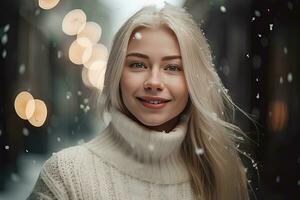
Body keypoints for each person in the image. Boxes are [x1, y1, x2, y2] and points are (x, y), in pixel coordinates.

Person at [28, 3, 250, 200]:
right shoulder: (66, 177)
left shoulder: (224, 175)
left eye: (172, 67)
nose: (154, 82)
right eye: (138, 65)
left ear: (193, 80)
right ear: (116, 74)